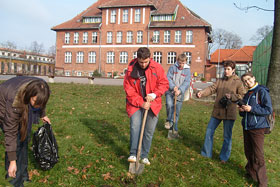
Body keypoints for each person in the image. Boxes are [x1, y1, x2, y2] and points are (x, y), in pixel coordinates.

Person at [0, 76, 51, 186]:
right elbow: (10, 132)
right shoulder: (14, 100)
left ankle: (23, 174)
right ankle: (13, 178)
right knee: (16, 143)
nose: (37, 106)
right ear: (29, 95)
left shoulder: (43, 88)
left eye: (40, 104)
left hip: (19, 103)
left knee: (24, 140)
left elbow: (41, 102)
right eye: (35, 102)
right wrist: (13, 161)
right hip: (4, 107)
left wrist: (43, 114)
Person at [123, 47, 169, 165]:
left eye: (146, 62)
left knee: (148, 131)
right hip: (135, 104)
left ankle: (144, 155)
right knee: (135, 127)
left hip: (153, 104)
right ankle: (133, 154)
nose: (143, 65)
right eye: (141, 62)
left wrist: (154, 94)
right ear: (137, 59)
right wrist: (141, 102)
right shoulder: (130, 70)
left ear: (150, 58)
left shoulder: (157, 68)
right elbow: (129, 90)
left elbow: (164, 84)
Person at [196, 61, 245, 163]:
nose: (226, 71)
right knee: (209, 131)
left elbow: (242, 96)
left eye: (228, 69)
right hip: (217, 111)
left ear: (233, 70)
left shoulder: (238, 82)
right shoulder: (220, 80)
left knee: (227, 136)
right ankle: (206, 154)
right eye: (225, 69)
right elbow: (211, 88)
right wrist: (202, 92)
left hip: (229, 113)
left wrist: (231, 96)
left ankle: (224, 157)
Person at [239, 72, 272, 187]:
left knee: (258, 155)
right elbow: (244, 113)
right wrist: (242, 111)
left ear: (253, 78)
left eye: (248, 79)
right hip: (247, 126)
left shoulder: (262, 91)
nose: (247, 82)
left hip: (258, 127)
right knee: (248, 152)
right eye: (245, 81)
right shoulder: (248, 93)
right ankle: (251, 173)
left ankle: (263, 183)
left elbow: (268, 109)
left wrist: (251, 108)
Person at [164, 53, 191, 137]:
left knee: (176, 112)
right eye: (180, 63)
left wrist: (180, 90)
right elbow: (168, 78)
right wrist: (173, 87)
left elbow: (187, 82)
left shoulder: (187, 70)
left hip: (179, 94)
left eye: (183, 63)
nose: (181, 65)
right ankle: (169, 120)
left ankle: (174, 130)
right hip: (170, 92)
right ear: (177, 61)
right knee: (169, 105)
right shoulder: (172, 68)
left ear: (186, 62)